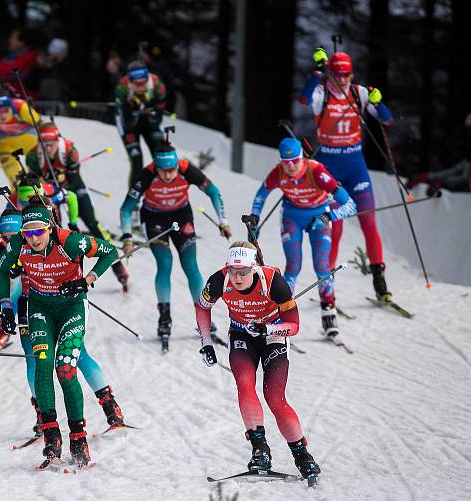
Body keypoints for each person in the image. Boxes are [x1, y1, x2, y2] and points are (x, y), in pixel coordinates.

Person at [0, 201, 118, 468]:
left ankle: (78, 438)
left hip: (72, 307)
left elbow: (110, 251)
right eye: (28, 232)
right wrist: (5, 305)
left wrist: (88, 279)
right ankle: (52, 436)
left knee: (65, 367)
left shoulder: (70, 242)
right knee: (42, 363)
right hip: (40, 308)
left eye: (39, 231)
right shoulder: (18, 245)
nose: (34, 238)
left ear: (50, 227)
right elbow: (2, 269)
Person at [194, 241, 321, 480]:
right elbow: (202, 308)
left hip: (273, 337)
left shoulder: (273, 282)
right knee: (244, 383)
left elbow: (294, 326)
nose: (238, 277)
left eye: (243, 271)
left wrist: (270, 329)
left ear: (254, 268)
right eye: (233, 271)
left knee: (274, 397)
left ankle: (302, 455)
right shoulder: (218, 280)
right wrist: (207, 342)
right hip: (242, 336)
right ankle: (260, 450)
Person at [299, 48, 394, 301]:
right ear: (331, 73)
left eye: (347, 75)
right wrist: (317, 73)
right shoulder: (322, 93)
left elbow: (386, 120)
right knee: (335, 226)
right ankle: (326, 284)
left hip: (355, 167)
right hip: (329, 167)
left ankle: (380, 283)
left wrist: (376, 101)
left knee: (369, 222)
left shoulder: (358, 92)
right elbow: (303, 101)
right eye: (338, 74)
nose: (342, 79)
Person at [119, 142, 230, 349]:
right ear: (156, 167)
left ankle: (203, 317)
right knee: (165, 263)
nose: (168, 175)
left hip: (182, 216)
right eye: (163, 171)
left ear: (177, 166)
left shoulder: (187, 169)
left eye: (172, 170)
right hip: (154, 220)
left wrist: (223, 221)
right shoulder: (147, 174)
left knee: (191, 265)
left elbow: (213, 191)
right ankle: (165, 318)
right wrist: (126, 237)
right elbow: (126, 209)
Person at [248, 138, 356, 337]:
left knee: (322, 267)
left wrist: (327, 217)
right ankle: (283, 317)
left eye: (295, 161)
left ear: (302, 158)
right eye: (285, 162)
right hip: (292, 218)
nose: (290, 167)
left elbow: (350, 205)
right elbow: (261, 195)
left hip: (318, 217)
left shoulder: (316, 171)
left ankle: (329, 314)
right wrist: (255, 218)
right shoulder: (278, 172)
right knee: (293, 267)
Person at [26, 121, 130, 291]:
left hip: (73, 187)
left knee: (91, 222)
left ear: (57, 140)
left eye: (51, 145)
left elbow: (73, 179)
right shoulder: (32, 156)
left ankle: (117, 267)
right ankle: (57, 272)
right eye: (44, 145)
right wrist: (50, 185)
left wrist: (62, 181)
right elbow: (36, 182)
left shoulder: (70, 151)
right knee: (53, 230)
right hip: (51, 192)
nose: (48, 149)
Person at [0, 85, 40, 190]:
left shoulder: (20, 106)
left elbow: (40, 124)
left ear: (10, 105)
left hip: (28, 138)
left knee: (38, 174)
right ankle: (20, 200)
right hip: (5, 142)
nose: (2, 115)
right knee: (14, 178)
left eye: (5, 110)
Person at [115, 61, 167, 188]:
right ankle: (133, 200)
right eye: (136, 84)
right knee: (137, 161)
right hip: (129, 126)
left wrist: (149, 110)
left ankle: (162, 194)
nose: (139, 87)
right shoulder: (122, 89)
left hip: (149, 123)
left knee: (162, 156)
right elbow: (125, 123)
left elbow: (158, 116)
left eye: (143, 83)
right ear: (130, 80)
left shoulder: (157, 85)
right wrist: (131, 109)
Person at [0, 27, 40, 98]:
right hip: (21, 100)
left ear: (21, 42)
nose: (9, 40)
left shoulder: (28, 58)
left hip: (26, 103)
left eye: (12, 38)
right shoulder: (21, 56)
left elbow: (1, 72)